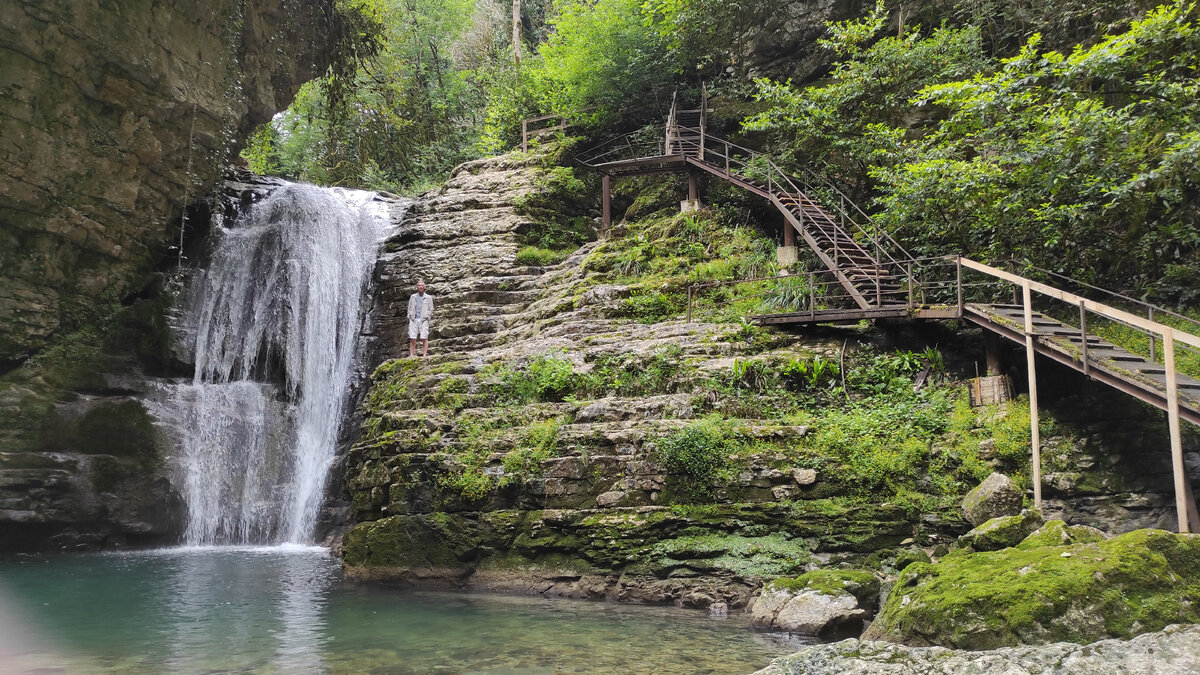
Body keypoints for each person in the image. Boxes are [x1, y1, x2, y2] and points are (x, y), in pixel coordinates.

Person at [407, 279, 434, 357]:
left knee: (424, 337)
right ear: (417, 287)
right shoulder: (413, 297)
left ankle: (424, 355)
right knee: (412, 337)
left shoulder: (428, 297)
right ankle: (411, 355)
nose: (420, 287)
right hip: (413, 319)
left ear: (424, 287)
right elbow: (409, 307)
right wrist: (409, 315)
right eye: (419, 285)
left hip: (423, 319)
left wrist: (427, 316)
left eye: (422, 285)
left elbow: (431, 309)